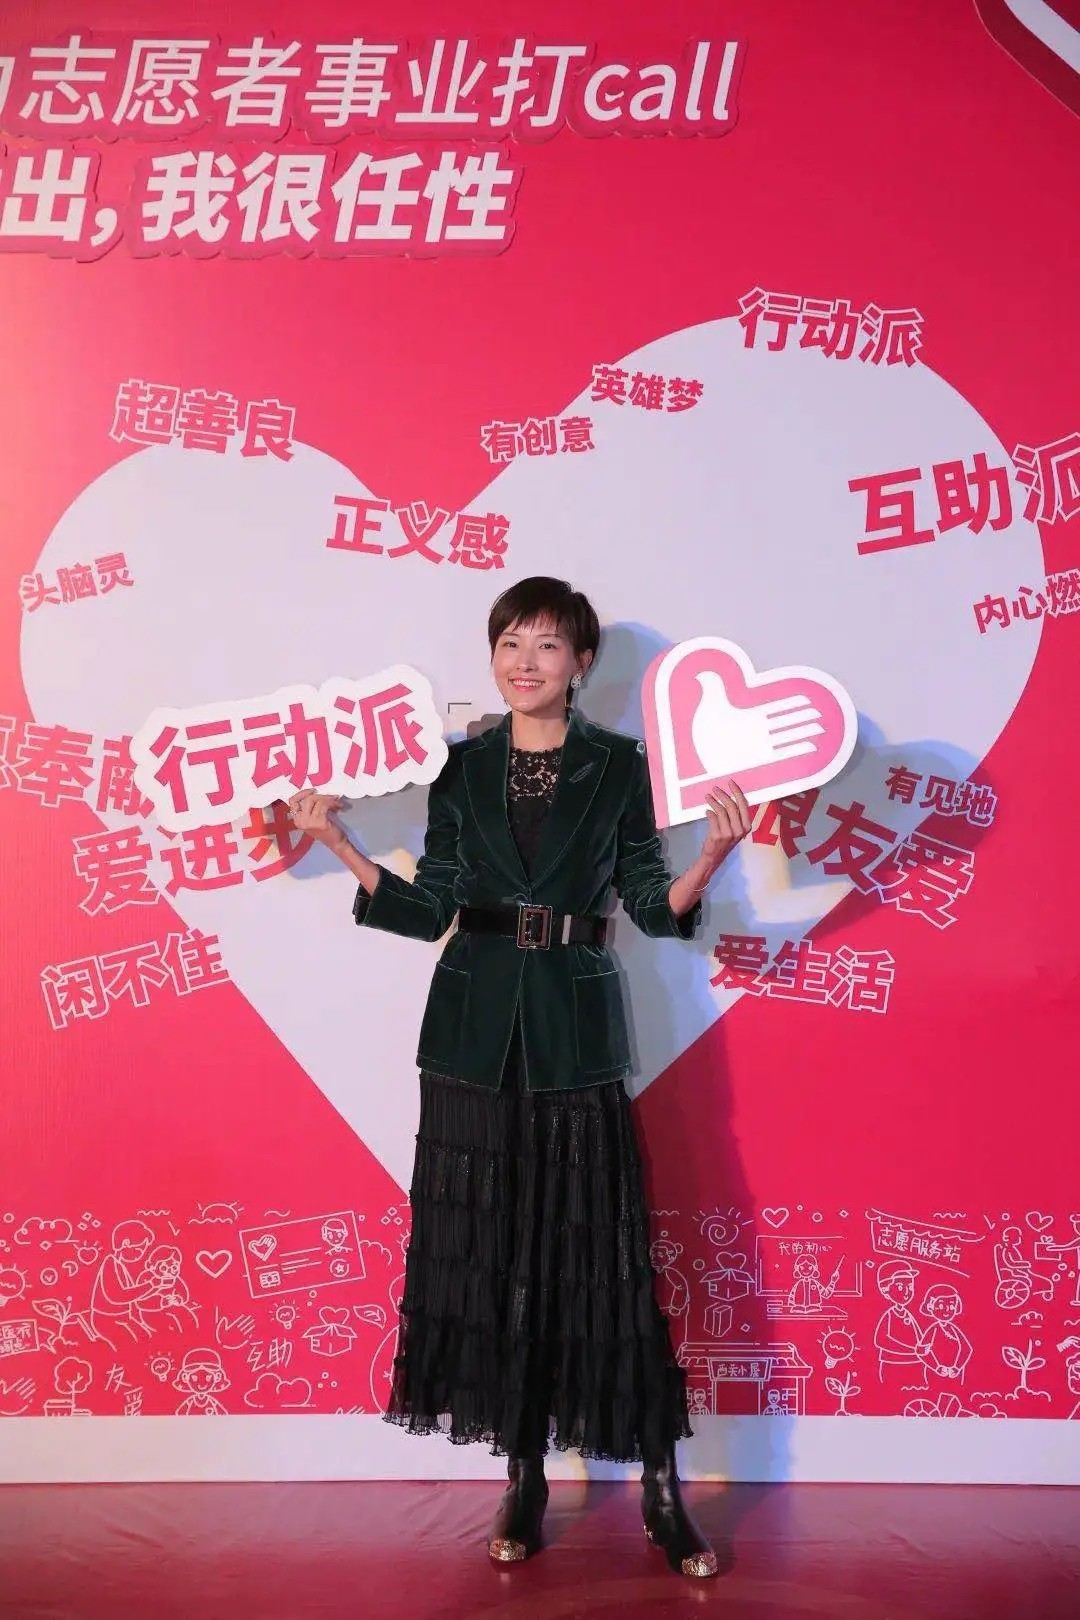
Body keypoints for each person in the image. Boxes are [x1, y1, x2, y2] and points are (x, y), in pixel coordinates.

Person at [289, 577, 752, 1579]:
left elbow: (648, 901)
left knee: (604, 1260)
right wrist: (338, 843)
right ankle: (525, 1474)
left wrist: (711, 856)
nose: (525, 661)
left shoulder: (617, 766)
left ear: (581, 663)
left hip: (574, 1031)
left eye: (547, 644)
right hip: (472, 1036)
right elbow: (431, 906)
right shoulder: (458, 768)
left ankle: (661, 1486)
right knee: (497, 1260)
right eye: (510, 642)